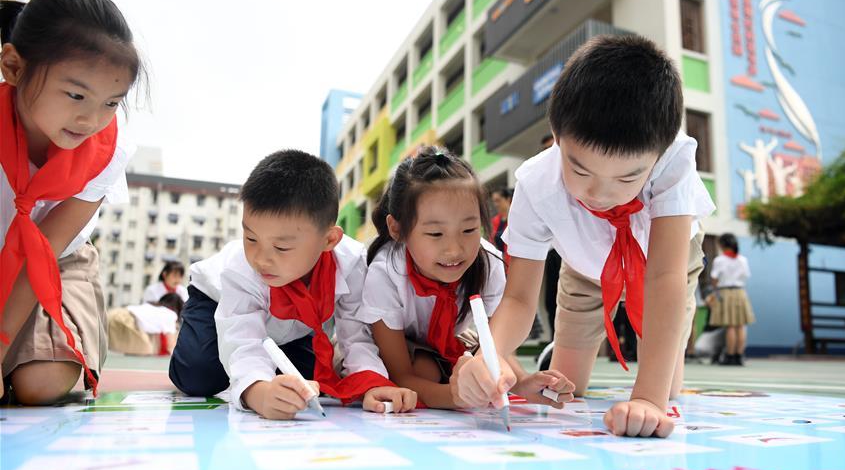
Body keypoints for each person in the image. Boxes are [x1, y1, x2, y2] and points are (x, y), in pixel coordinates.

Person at [455, 34, 714, 438]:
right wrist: (492, 356)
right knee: (564, 389)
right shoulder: (536, 185)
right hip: (584, 269)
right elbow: (520, 297)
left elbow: (665, 279)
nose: (599, 194)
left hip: (666, 265)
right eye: (579, 170)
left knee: (668, 388)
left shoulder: (675, 159)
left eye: (628, 177)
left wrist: (647, 400)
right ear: (556, 136)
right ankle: (550, 353)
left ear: (658, 155)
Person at [168, 149, 416, 419]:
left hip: (290, 331)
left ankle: (267, 366)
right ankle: (198, 334)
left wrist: (373, 382)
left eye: (281, 247)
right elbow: (241, 335)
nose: (261, 259)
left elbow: (356, 336)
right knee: (198, 375)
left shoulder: (352, 263)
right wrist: (257, 391)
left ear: (329, 240)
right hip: (215, 300)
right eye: (250, 238)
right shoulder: (241, 269)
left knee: (308, 383)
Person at [0, 0, 142, 403]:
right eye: (77, 95)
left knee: (40, 385)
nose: (90, 119)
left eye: (111, 103)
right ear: (13, 66)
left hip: (57, 263)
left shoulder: (106, 152)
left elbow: (42, 249)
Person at [360, 147, 573, 409]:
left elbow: (494, 350)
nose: (455, 250)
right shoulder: (386, 273)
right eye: (436, 234)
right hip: (396, 356)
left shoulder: (488, 262)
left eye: (469, 229)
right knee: (427, 369)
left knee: (475, 367)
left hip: (450, 346)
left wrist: (520, 383)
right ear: (397, 228)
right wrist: (455, 397)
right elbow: (401, 375)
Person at [707, 233, 755, 366]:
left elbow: (714, 279)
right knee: (740, 325)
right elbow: (746, 275)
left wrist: (714, 292)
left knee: (730, 326)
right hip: (740, 291)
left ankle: (729, 355)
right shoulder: (742, 259)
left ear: (722, 245)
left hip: (726, 292)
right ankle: (739, 355)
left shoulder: (720, 260)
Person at [108, 293, 183, 356]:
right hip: (125, 321)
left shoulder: (153, 307)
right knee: (146, 349)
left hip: (113, 314)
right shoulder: (170, 314)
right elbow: (170, 346)